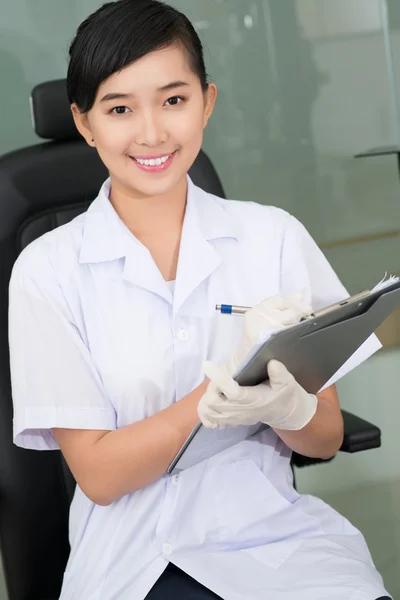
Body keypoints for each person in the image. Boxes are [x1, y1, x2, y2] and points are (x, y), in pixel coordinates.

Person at [8, 1, 391, 599]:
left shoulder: (274, 236)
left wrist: (290, 409)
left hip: (278, 545)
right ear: (85, 124)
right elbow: (102, 477)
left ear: (206, 102)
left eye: (174, 100)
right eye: (119, 109)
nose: (153, 132)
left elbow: (326, 437)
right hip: (137, 561)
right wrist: (215, 398)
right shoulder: (48, 269)